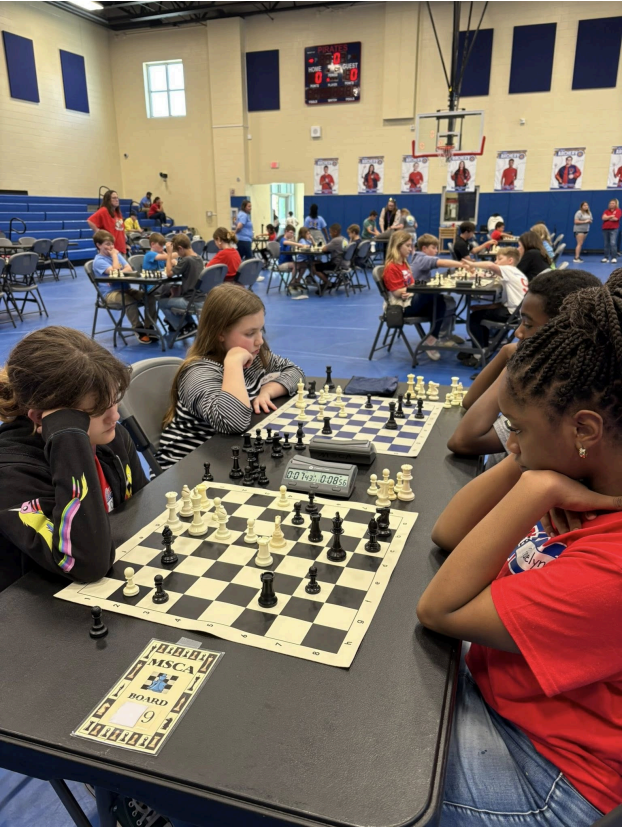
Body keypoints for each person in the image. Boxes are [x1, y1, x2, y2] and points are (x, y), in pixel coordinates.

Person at [420, 274, 622, 826]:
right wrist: (531, 459)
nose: (508, 442)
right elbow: (449, 531)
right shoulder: (587, 474)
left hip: (548, 773)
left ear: (585, 429)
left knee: (353, 787)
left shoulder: (612, 563)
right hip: (498, 697)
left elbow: (440, 610)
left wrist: (537, 485)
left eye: (521, 430)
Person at [0, 327, 147, 593]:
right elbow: (86, 564)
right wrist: (69, 438)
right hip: (38, 613)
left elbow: (145, 511)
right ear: (42, 418)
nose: (114, 416)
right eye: (97, 409)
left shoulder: (110, 437)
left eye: (114, 400)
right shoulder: (12, 476)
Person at [447, 268, 603, 456]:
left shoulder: (554, 394)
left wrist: (514, 364)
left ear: (564, 332)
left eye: (528, 325)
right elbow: (470, 401)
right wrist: (506, 353)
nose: (518, 333)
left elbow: (463, 441)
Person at [156, 284, 304, 469]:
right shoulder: (198, 372)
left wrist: (267, 391)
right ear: (220, 333)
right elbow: (233, 422)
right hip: (188, 469)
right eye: (250, 333)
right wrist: (233, 363)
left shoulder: (255, 355)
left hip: (228, 455)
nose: (259, 340)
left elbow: (295, 372)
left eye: (261, 330)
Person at [383, 232, 458, 361]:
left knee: (440, 300)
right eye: (407, 245)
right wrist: (407, 290)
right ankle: (434, 338)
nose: (411, 249)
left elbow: (411, 283)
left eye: (411, 245)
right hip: (401, 307)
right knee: (429, 292)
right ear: (397, 246)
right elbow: (396, 292)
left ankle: (431, 339)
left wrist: (414, 287)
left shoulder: (404, 264)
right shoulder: (391, 267)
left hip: (411, 299)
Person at [92, 230, 157, 344]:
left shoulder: (117, 255)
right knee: (128, 300)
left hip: (126, 289)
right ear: (98, 245)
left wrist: (115, 273)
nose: (111, 247)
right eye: (107, 244)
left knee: (150, 296)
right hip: (109, 294)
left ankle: (149, 327)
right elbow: (117, 271)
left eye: (112, 244)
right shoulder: (99, 261)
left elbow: (129, 269)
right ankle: (138, 329)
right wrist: (114, 257)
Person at [461, 247, 529, 354]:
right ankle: (484, 348)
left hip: (512, 314)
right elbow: (502, 302)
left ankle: (478, 352)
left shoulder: (508, 269)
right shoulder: (516, 272)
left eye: (500, 259)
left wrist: (472, 264)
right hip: (518, 313)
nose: (496, 262)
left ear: (510, 260)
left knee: (474, 317)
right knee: (478, 312)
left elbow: (490, 266)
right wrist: (482, 307)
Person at [159, 234, 204, 343]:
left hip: (192, 301)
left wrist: (169, 254)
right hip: (202, 299)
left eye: (177, 252)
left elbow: (169, 273)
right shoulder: (198, 257)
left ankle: (183, 328)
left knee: (162, 303)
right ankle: (191, 325)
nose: (178, 255)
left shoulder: (186, 260)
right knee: (177, 296)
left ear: (180, 248)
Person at [87, 190, 127, 255]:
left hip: (121, 248)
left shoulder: (118, 212)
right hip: (111, 250)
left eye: (117, 198)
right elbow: (90, 221)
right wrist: (99, 233)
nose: (117, 200)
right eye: (114, 198)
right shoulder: (104, 210)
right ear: (108, 200)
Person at [314, 223, 347, 291]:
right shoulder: (344, 239)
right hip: (344, 263)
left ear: (335, 232)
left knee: (313, 267)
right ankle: (325, 282)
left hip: (336, 265)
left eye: (330, 232)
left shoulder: (336, 240)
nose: (329, 234)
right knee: (319, 262)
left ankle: (328, 283)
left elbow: (324, 249)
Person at [602, 198, 621, 263]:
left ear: (616, 204)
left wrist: (608, 217)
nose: (611, 204)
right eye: (610, 203)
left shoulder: (618, 211)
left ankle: (614, 257)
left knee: (613, 243)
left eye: (613, 203)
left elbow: (615, 219)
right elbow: (603, 218)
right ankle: (606, 257)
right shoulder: (606, 211)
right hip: (605, 229)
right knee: (606, 244)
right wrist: (611, 216)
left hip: (614, 229)